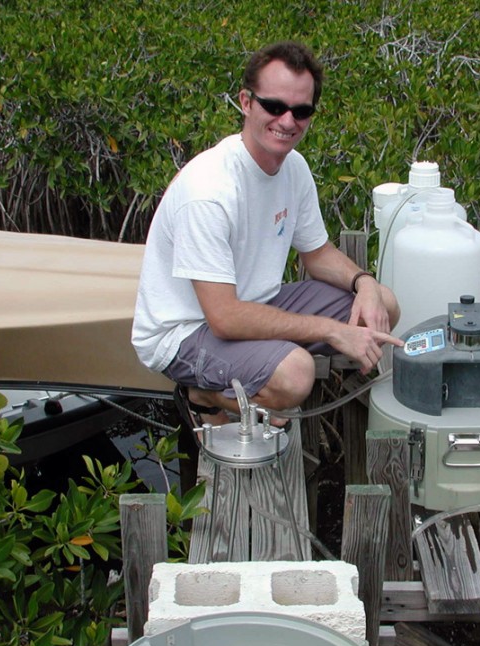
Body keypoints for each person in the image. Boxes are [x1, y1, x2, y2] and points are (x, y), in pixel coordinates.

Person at [132, 41, 401, 427]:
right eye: (274, 106)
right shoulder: (209, 190)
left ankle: (261, 367)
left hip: (257, 304)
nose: (287, 121)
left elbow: (318, 254)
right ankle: (204, 394)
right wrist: (331, 331)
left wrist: (366, 284)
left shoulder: (294, 168)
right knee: (295, 375)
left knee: (383, 306)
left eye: (301, 111)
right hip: (186, 333)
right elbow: (223, 318)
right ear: (246, 102)